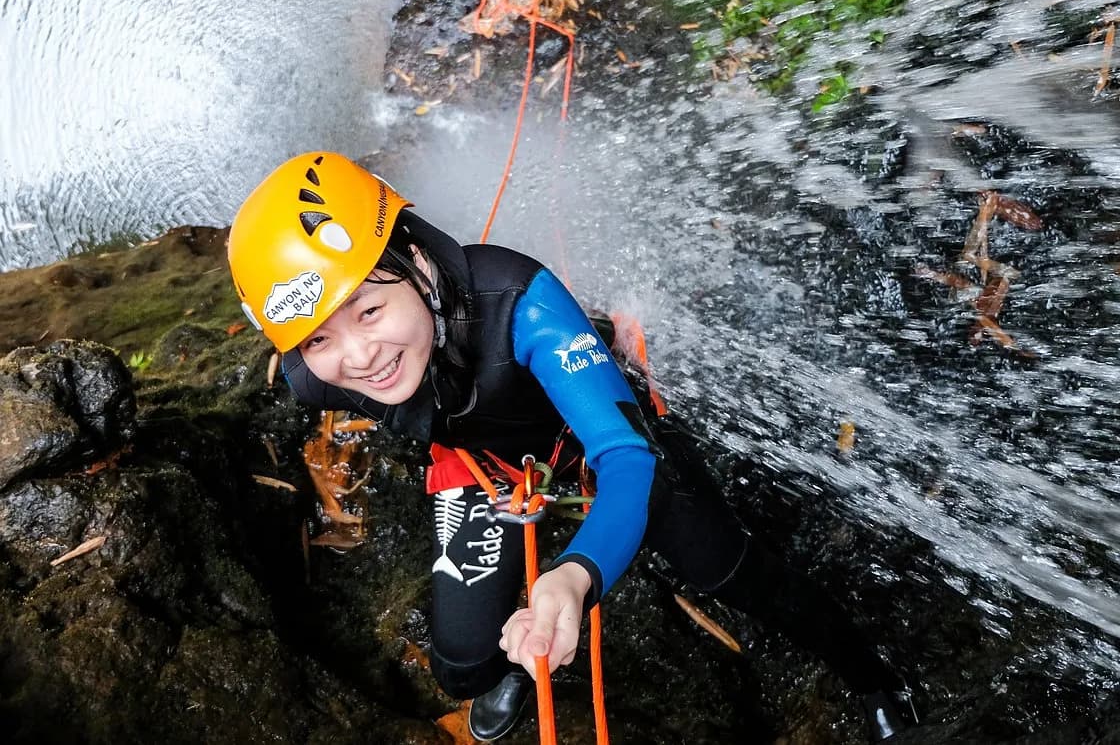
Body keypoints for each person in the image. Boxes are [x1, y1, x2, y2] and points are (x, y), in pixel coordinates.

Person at [227, 151, 916, 743]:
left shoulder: (522, 305)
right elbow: (365, 372)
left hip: (591, 436)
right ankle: (513, 670)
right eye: (318, 337)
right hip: (484, 466)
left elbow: (626, 458)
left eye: (369, 310)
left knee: (729, 571)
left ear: (415, 261)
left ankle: (872, 675)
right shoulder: (315, 379)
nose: (360, 357)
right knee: (462, 663)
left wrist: (575, 572)